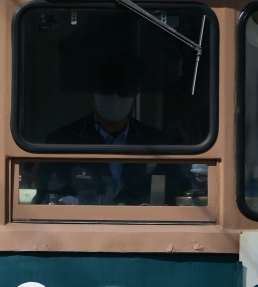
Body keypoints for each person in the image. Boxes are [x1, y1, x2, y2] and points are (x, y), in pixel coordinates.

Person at [42, 53, 167, 205]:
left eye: (123, 92)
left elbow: (172, 194)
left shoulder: (156, 141)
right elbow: (50, 198)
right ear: (92, 95)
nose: (115, 98)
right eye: (107, 91)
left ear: (135, 96)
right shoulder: (62, 141)